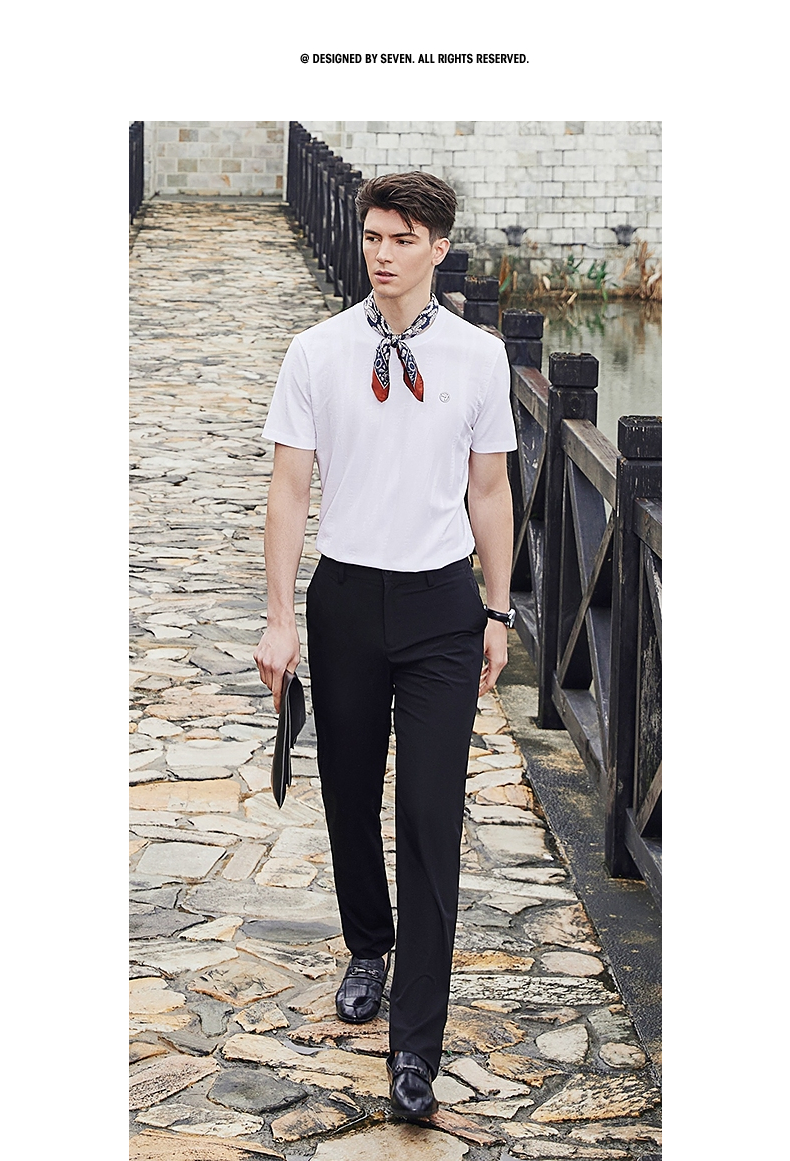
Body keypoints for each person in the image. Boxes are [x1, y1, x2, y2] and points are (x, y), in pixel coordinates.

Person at [253, 170, 517, 1119]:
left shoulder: (481, 358)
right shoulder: (317, 352)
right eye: (373, 235)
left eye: (403, 238)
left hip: (442, 604)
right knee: (350, 793)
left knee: (431, 817)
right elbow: (290, 489)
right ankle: (369, 942)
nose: (382, 252)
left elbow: (490, 489)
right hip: (348, 599)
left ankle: (416, 1048)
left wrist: (497, 610)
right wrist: (279, 617)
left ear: (439, 247)